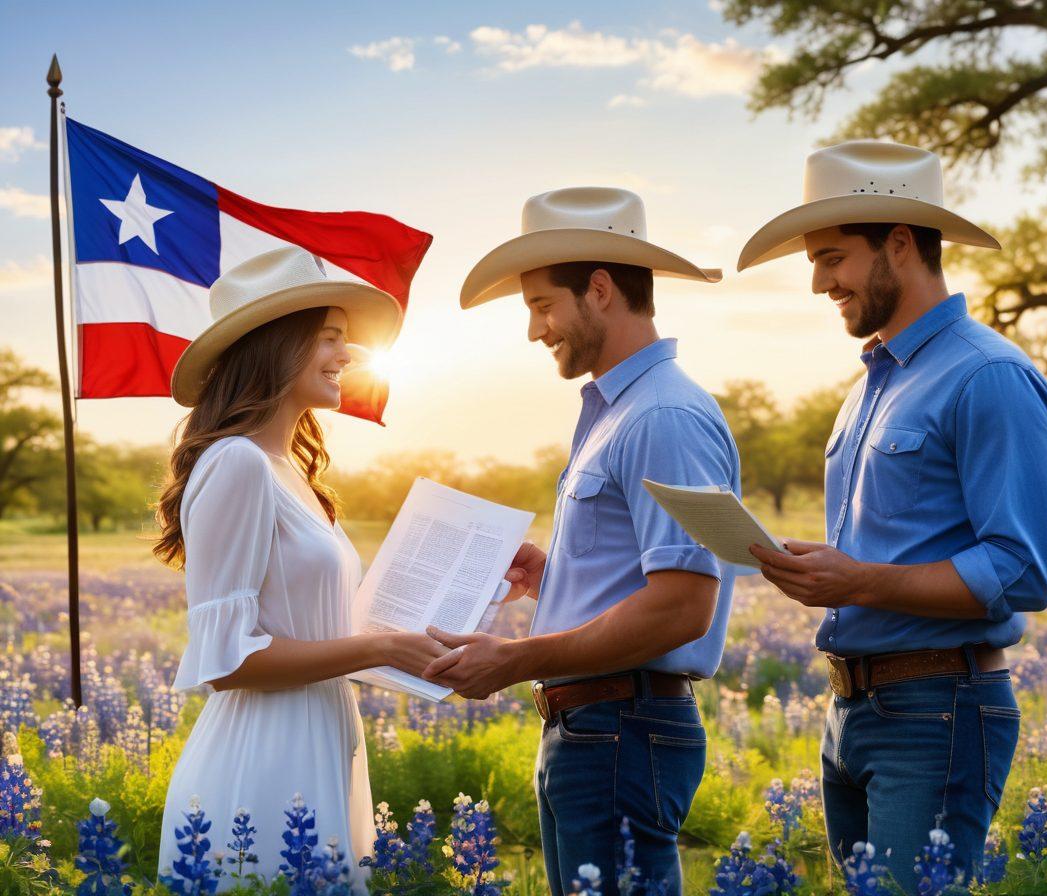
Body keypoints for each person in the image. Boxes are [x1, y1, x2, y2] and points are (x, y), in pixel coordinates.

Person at [736, 141, 1047, 890]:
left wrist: (860, 582)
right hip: (852, 708)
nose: (820, 283)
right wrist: (828, 571)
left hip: (939, 708)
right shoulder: (869, 387)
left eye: (831, 258)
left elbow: (1021, 570)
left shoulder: (990, 376)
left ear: (901, 244)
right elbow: (892, 550)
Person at [424, 187, 740, 895]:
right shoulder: (617, 410)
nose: (536, 330)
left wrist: (516, 658)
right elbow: (639, 578)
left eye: (542, 306)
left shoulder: (662, 416)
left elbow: (681, 607)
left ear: (599, 290)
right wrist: (555, 577)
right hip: (598, 725)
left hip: (622, 725)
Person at [153, 246, 445, 891]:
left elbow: (323, 626)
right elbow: (228, 664)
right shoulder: (238, 462)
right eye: (330, 339)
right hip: (265, 756)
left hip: (322, 730)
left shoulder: (295, 472)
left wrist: (452, 602)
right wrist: (381, 646)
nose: (348, 356)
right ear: (277, 347)